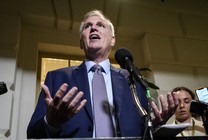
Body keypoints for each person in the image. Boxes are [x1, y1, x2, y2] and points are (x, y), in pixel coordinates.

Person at [27, 9, 178, 138]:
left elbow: (144, 132)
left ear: (112, 40)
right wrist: (51, 123)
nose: (93, 28)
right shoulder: (57, 78)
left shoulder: (133, 80)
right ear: (81, 43)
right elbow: (32, 134)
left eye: (100, 25)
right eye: (87, 26)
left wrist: (157, 124)